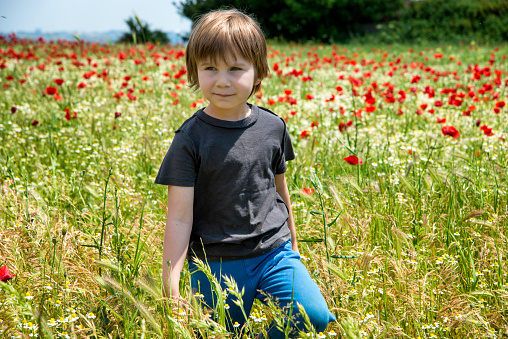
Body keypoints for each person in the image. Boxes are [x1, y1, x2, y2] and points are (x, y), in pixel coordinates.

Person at [155, 9, 335, 338]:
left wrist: (293, 247)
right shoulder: (190, 139)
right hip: (215, 264)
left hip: (273, 253)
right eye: (210, 68)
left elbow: (280, 193)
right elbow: (179, 219)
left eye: (235, 68)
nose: (222, 80)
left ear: (258, 72)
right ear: (195, 70)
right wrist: (172, 286)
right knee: (219, 334)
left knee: (313, 316)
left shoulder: (273, 126)